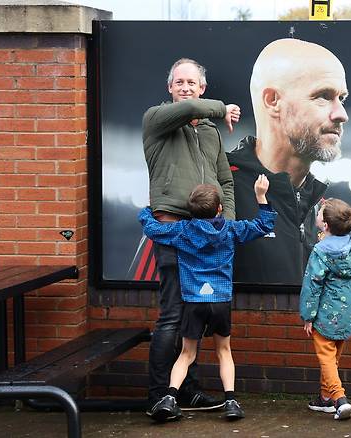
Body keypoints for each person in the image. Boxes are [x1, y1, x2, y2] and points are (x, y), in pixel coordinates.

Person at [140, 57, 242, 420]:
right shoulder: (156, 119)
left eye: (192, 83)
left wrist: (224, 226)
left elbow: (225, 183)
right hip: (173, 230)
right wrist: (221, 108)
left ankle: (187, 391)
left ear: (201, 87)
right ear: (170, 88)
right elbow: (192, 109)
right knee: (171, 316)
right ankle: (157, 396)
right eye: (179, 82)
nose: (185, 88)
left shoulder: (210, 132)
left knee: (193, 320)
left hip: (209, 237)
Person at [138, 176, 277, 421]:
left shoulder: (182, 230)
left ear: (190, 212)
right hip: (221, 301)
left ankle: (169, 398)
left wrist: (148, 209)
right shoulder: (231, 229)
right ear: (220, 209)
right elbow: (263, 225)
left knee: (186, 354)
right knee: (224, 351)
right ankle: (231, 401)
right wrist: (261, 197)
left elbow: (152, 229)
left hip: (193, 301)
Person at [228, 38, 349, 285]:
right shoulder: (216, 187)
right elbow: (156, 297)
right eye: (323, 96)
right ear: (272, 101)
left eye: (342, 98)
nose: (341, 114)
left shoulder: (320, 206)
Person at [299, 198, 351, 421]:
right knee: (334, 357)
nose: (317, 214)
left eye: (320, 214)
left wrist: (308, 316)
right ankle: (326, 398)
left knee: (326, 358)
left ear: (325, 225)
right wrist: (330, 206)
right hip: (347, 314)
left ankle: (339, 399)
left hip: (325, 315)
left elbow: (312, 285)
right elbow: (343, 226)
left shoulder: (320, 251)